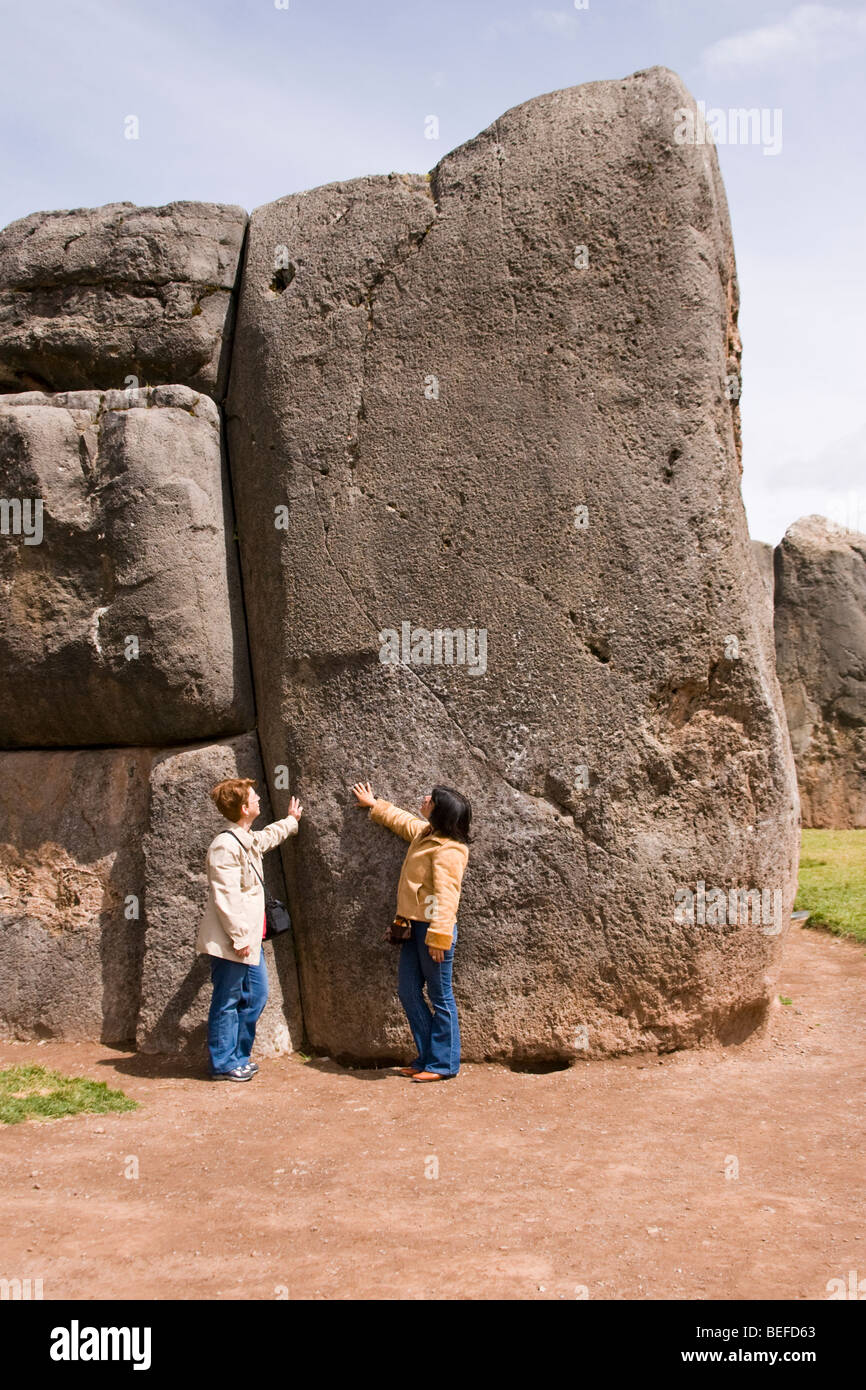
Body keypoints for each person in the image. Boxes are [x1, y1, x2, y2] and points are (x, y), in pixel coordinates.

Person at [351, 781, 472, 1082]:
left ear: (439, 811)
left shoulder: (451, 850)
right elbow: (403, 820)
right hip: (410, 927)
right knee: (407, 991)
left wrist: (440, 937)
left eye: (432, 799)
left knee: (440, 995)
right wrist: (374, 804)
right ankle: (428, 1056)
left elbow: (448, 896)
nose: (425, 798)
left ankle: (444, 1064)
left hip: (434, 931)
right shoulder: (425, 833)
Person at [196, 777, 303, 1081]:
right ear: (244, 808)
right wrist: (240, 938)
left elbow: (266, 838)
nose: (258, 801)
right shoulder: (224, 847)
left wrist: (291, 821)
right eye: (255, 798)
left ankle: (238, 1057)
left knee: (256, 995)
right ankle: (223, 1063)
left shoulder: (244, 839)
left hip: (248, 941)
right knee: (227, 1000)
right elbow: (225, 897)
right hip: (233, 941)